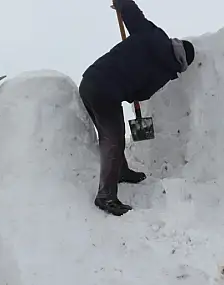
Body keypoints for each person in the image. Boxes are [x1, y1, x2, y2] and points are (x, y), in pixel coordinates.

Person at [80, 0, 195, 216]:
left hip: (92, 81)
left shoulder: (154, 37)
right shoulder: (165, 72)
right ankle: (106, 196)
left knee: (112, 134)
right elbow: (141, 94)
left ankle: (121, 170)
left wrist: (122, 3)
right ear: (182, 64)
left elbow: (133, 16)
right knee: (112, 138)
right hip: (106, 89)